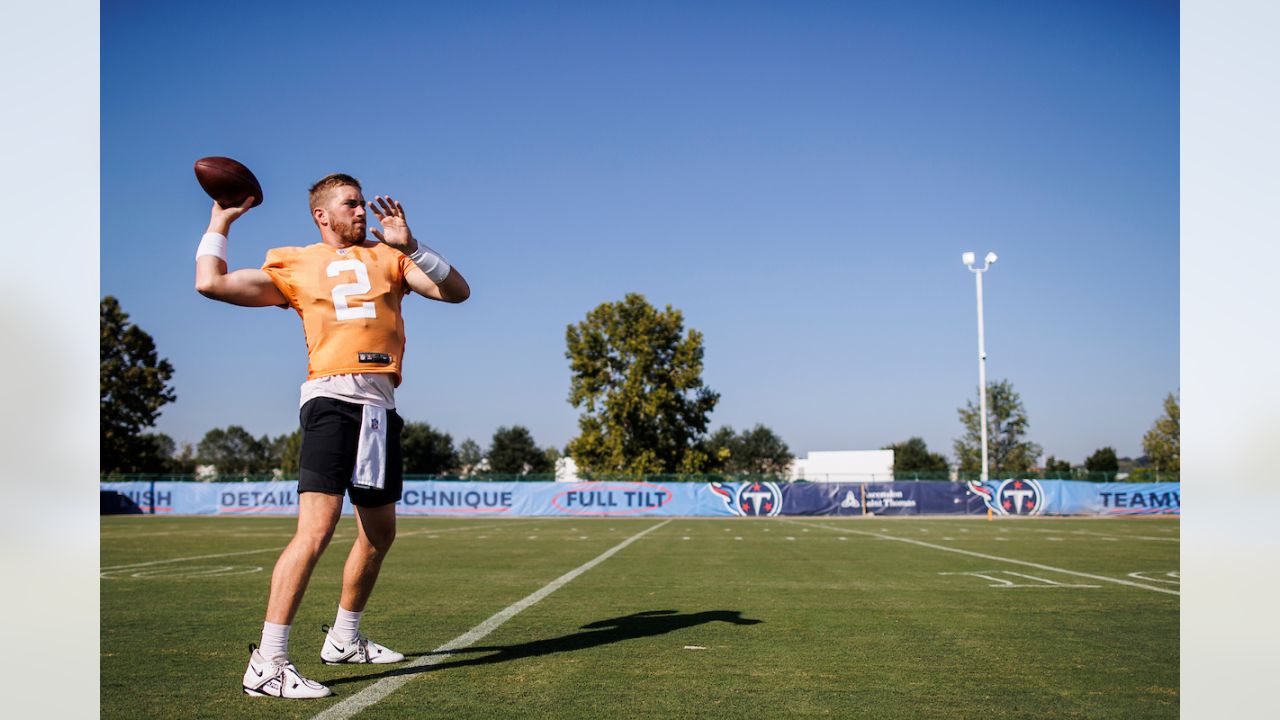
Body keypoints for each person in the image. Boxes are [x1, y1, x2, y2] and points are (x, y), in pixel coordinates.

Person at [194, 173, 470, 699]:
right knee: (316, 531)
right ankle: (268, 662)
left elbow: (458, 292)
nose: (363, 211)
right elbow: (211, 283)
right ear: (322, 215)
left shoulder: (390, 257)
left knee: (379, 535)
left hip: (380, 406)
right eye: (351, 204)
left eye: (363, 202)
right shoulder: (294, 261)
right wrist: (218, 223)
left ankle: (344, 638)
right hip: (331, 398)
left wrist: (412, 245)